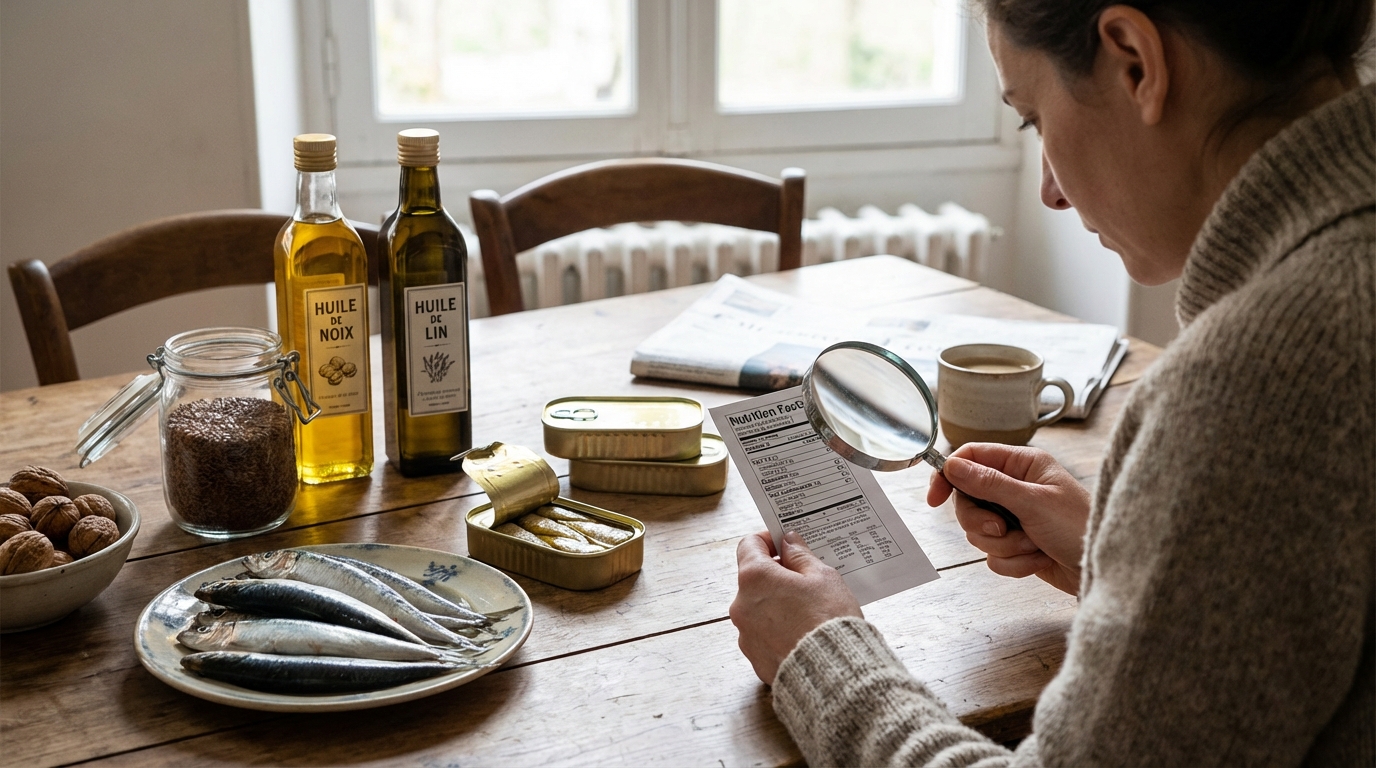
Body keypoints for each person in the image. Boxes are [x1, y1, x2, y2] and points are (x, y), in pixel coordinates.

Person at [730, 1, 1375, 764]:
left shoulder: (1254, 383)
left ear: (1135, 60)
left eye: (1034, 118)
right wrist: (1130, 560)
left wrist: (819, 658)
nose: (1050, 192)